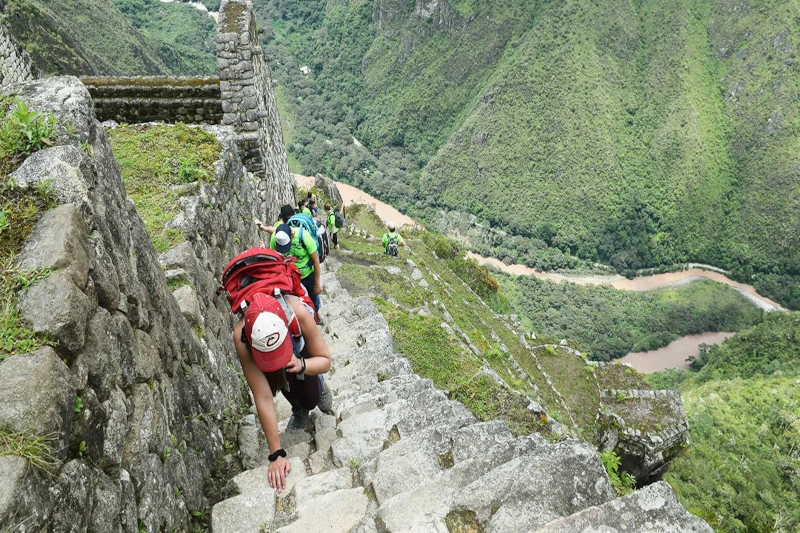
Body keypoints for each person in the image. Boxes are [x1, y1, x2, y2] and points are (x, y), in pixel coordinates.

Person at [233, 292, 332, 490]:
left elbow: (325, 360)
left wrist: (303, 365)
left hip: (300, 353)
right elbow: (263, 396)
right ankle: (298, 409)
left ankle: (318, 386)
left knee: (310, 399)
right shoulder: (241, 336)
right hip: (276, 361)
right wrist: (276, 453)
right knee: (278, 382)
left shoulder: (297, 312)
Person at [271, 222, 322, 313]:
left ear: (292, 234)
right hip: (290, 277)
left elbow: (315, 260)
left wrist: (317, 283)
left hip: (307, 274)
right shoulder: (275, 239)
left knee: (313, 298)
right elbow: (274, 260)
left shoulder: (304, 236)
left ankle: (317, 313)